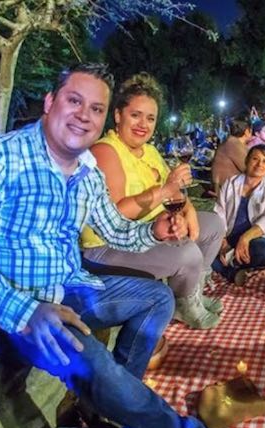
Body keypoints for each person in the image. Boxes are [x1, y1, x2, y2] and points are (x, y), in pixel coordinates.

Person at [0, 63, 265, 428]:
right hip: (11, 308)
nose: (85, 115)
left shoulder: (85, 172)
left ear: (105, 116)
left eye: (96, 108)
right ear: (50, 102)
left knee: (157, 297)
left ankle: (111, 408)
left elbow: (117, 230)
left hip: (68, 287)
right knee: (93, 361)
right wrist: (23, 310)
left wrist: (155, 231)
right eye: (74, 101)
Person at [80, 73, 225, 330]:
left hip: (149, 228)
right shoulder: (105, 152)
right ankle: (184, 304)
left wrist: (187, 210)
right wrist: (164, 193)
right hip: (106, 247)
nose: (143, 124)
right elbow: (115, 217)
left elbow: (175, 192)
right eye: (135, 115)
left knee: (213, 224)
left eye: (150, 118)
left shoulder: (150, 151)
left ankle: (191, 292)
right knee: (187, 252)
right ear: (117, 115)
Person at [213, 144, 265, 285]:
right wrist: (222, 240)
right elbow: (219, 212)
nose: (260, 164)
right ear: (247, 160)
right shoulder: (231, 183)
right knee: (205, 247)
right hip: (230, 239)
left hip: (258, 239)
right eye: (255, 159)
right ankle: (233, 272)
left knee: (264, 250)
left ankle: (227, 265)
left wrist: (246, 237)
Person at [211, 119, 252, 193]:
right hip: (227, 191)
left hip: (230, 187)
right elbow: (249, 169)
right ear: (246, 131)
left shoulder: (232, 142)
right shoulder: (233, 145)